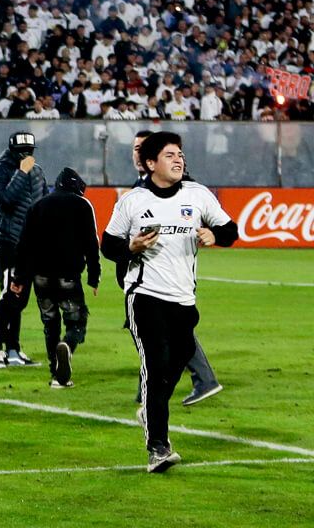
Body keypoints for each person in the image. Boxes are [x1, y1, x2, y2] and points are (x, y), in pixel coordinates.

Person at [100, 131, 239, 472]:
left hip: (184, 299)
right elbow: (107, 246)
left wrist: (214, 235)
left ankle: (150, 410)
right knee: (156, 366)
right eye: (169, 155)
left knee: (175, 363)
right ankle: (158, 448)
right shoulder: (132, 202)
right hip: (145, 297)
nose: (178, 159)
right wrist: (131, 248)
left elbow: (231, 230)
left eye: (180, 154)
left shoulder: (198, 195)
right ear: (150, 163)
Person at [130, 130, 223, 407]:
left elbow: (215, 222)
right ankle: (151, 391)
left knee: (164, 335)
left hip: (171, 282)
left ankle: (200, 380)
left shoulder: (184, 188)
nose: (136, 153)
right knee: (153, 335)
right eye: (134, 148)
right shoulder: (141, 188)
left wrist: (212, 234)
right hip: (144, 280)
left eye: (141, 149)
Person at [13, 168, 100, 388]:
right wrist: (94, 276)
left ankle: (56, 375)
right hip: (68, 276)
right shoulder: (82, 205)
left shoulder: (37, 206)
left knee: (50, 323)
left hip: (40, 277)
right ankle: (68, 345)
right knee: (76, 322)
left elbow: (24, 245)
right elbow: (91, 243)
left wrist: (19, 278)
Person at [0, 131, 49, 368]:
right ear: (12, 152)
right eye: (22, 152)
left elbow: (43, 204)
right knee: (9, 296)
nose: (27, 156)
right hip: (7, 241)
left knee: (20, 299)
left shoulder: (38, 171)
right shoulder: (0, 170)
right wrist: (22, 172)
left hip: (28, 244)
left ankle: (13, 349)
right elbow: (6, 199)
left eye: (30, 152)